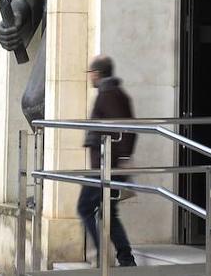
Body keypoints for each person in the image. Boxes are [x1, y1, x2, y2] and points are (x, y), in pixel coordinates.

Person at [77, 54, 137, 268]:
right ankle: (126, 259)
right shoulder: (115, 93)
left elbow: (124, 130)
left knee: (84, 208)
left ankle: (104, 256)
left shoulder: (108, 94)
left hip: (104, 167)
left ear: (97, 73)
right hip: (107, 165)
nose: (89, 77)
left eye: (90, 72)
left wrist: (120, 159)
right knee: (108, 213)